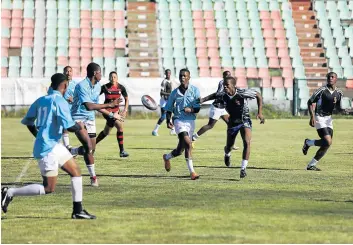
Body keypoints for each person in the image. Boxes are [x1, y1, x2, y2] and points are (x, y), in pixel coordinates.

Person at [1, 73, 96, 219]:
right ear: (64, 85)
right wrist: (80, 127)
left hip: (52, 145)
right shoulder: (60, 101)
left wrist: (39, 136)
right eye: (67, 86)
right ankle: (9, 192)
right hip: (47, 149)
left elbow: (28, 122)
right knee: (49, 188)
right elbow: (69, 126)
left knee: (76, 171)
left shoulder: (40, 100)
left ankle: (78, 211)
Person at [201, 76, 265, 178]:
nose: (225, 87)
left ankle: (243, 168)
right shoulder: (223, 95)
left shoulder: (242, 93)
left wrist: (260, 113)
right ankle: (227, 153)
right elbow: (214, 95)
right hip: (232, 123)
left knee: (247, 142)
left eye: (227, 85)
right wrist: (202, 100)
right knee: (229, 146)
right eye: (224, 85)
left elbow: (258, 95)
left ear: (233, 85)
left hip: (245, 120)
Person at [70, 63, 123, 187]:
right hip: (78, 118)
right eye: (100, 72)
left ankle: (73, 150)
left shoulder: (98, 86)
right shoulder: (81, 86)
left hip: (90, 118)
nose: (101, 75)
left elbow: (97, 107)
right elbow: (89, 106)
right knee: (88, 147)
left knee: (91, 149)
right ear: (95, 73)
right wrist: (110, 105)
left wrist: (112, 115)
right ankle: (93, 177)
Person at [162, 68, 201, 180]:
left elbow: (198, 108)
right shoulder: (174, 93)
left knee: (180, 150)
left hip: (191, 122)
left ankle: (167, 157)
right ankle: (192, 172)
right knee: (188, 144)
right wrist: (168, 120)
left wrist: (191, 110)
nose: (182, 77)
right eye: (181, 76)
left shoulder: (195, 90)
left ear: (189, 77)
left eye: (185, 76)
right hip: (178, 120)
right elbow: (169, 108)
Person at [302, 72, 345, 171]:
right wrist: (312, 117)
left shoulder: (339, 93)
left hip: (329, 119)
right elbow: (310, 102)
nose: (330, 78)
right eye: (329, 77)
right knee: (328, 141)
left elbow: (338, 108)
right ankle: (308, 143)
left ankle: (311, 164)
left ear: (336, 79)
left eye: (332, 77)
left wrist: (347, 111)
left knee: (327, 144)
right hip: (319, 117)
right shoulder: (321, 90)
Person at [192, 70, 239, 150]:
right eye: (226, 76)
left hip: (223, 108)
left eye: (229, 75)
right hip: (217, 107)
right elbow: (217, 94)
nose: (228, 77)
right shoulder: (222, 83)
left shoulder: (231, 83)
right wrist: (203, 99)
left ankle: (231, 144)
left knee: (231, 124)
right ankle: (193, 138)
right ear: (223, 77)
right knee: (210, 125)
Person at [95, 71, 129, 157]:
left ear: (117, 78)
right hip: (107, 112)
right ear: (109, 78)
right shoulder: (105, 87)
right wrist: (97, 105)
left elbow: (126, 98)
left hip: (116, 112)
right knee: (120, 127)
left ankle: (92, 145)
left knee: (106, 132)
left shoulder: (121, 87)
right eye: (111, 77)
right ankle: (122, 151)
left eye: (114, 77)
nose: (113, 78)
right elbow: (94, 96)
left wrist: (125, 110)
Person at [152, 69, 176, 136]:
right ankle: (155, 130)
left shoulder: (171, 81)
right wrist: (169, 94)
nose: (168, 74)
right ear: (165, 74)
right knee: (163, 116)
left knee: (174, 114)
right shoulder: (164, 82)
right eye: (167, 73)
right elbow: (161, 92)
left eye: (169, 73)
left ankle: (172, 130)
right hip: (164, 101)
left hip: (169, 101)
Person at [61, 66, 78, 150]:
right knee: (64, 127)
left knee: (78, 127)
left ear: (72, 72)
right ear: (64, 72)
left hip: (73, 110)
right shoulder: (60, 84)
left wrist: (73, 99)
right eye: (66, 71)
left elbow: (79, 97)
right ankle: (67, 146)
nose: (68, 73)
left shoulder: (75, 85)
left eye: (70, 71)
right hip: (62, 109)